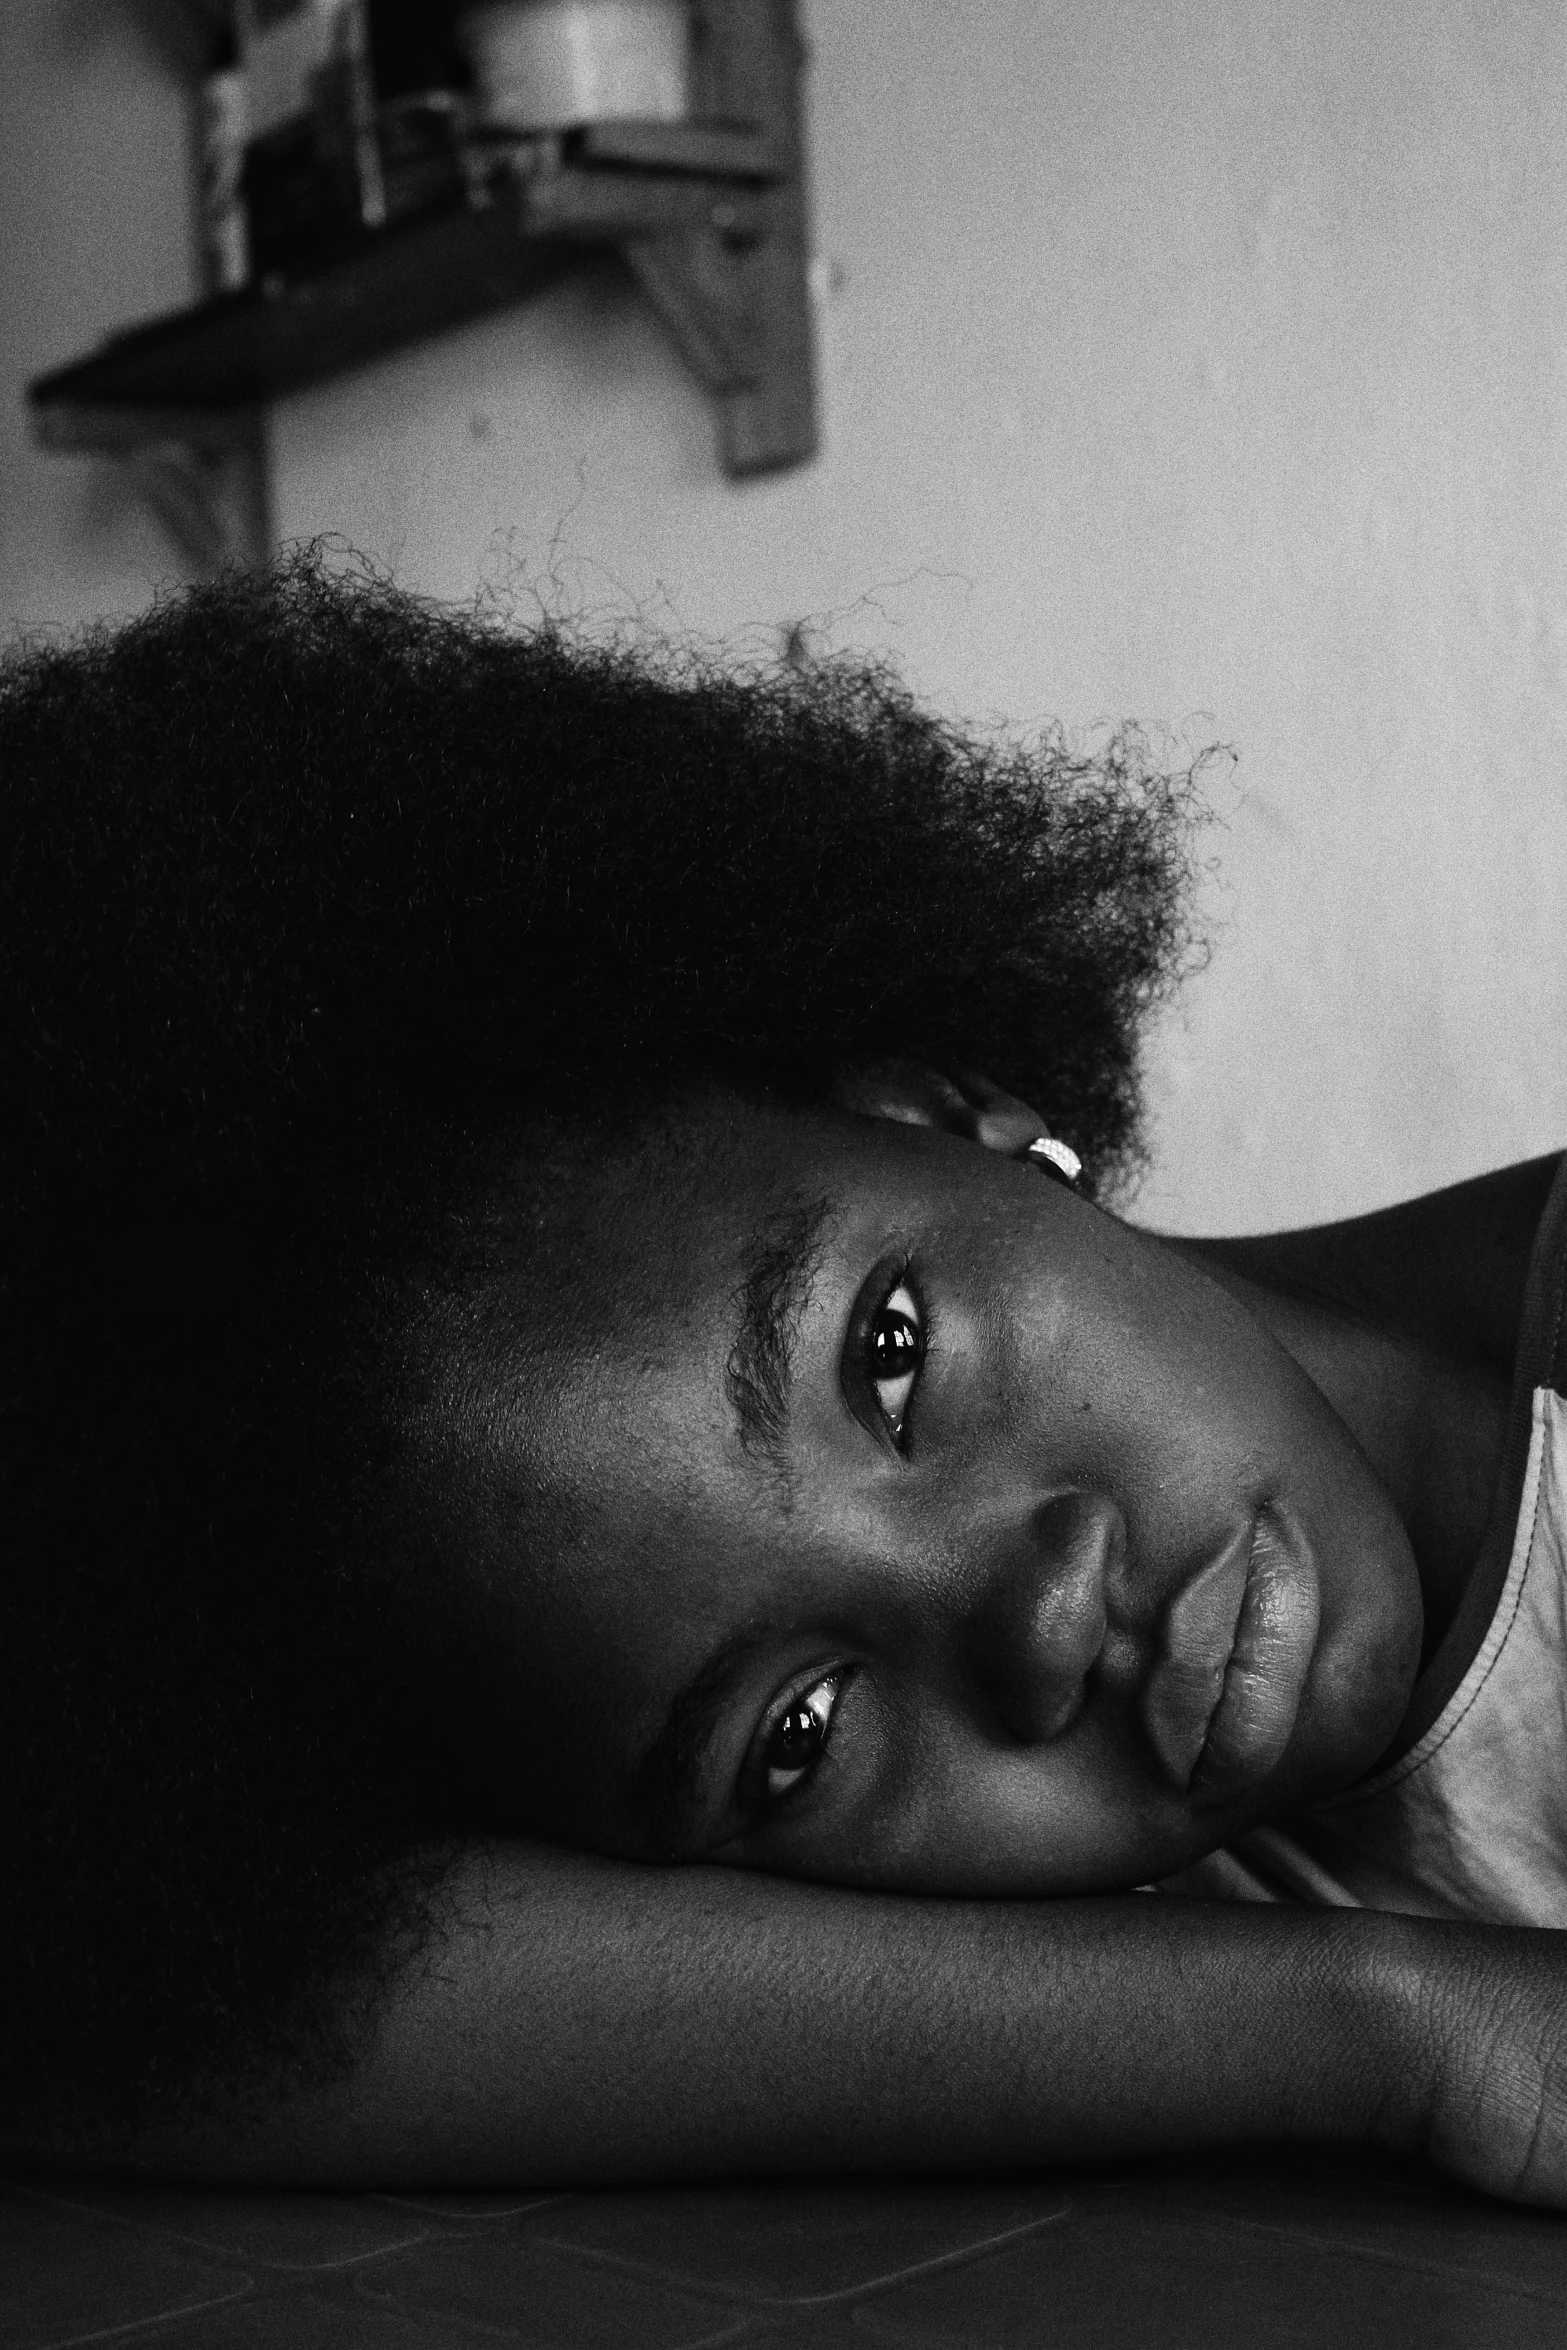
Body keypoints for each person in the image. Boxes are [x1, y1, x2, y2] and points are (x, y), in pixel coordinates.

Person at [4, 555, 1567, 2205]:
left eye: (889, 1358)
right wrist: (1403, 2028)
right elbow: (105, 2012)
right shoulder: (1089, 1909)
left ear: (942, 1101)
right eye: (796, 1734)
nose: (1034, 1626)